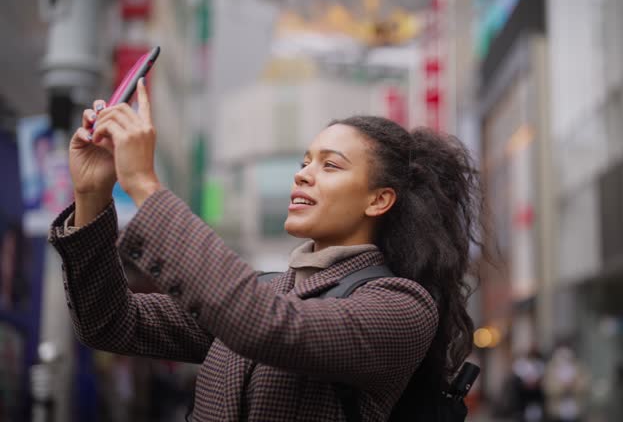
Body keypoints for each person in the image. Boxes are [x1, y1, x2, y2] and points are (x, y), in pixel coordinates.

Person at [48, 79, 483, 421]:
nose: (303, 176)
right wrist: (91, 196)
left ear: (378, 200)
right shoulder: (266, 291)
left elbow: (265, 326)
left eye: (330, 165)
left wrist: (144, 185)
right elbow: (111, 323)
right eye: (304, 162)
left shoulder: (402, 307)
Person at [543, 345, 590, 422]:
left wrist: (573, 386)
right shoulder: (551, 368)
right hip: (557, 411)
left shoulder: (579, 367)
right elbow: (547, 387)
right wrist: (562, 387)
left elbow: (585, 385)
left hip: (576, 409)